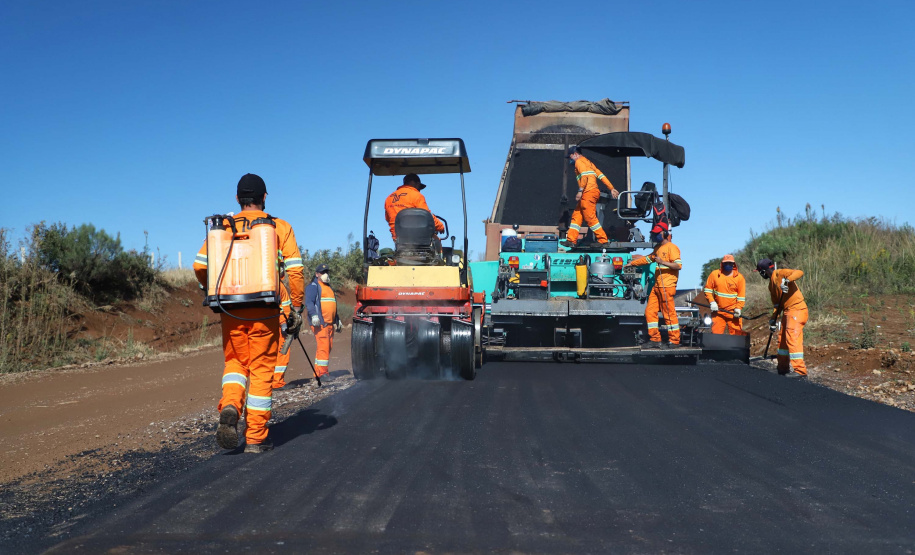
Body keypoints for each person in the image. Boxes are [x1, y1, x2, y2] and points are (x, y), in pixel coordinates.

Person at [193, 173, 305, 453]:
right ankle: (255, 438)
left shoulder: (224, 228)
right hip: (265, 308)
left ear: (237, 199)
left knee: (235, 363)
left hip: (230, 309)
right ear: (265, 197)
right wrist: (297, 307)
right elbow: (295, 271)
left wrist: (211, 287)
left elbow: (199, 265)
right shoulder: (279, 226)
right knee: (261, 369)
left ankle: (231, 405)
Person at [625, 222, 682, 348]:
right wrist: (632, 264)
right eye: (654, 233)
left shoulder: (672, 248)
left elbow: (678, 266)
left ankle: (675, 340)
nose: (656, 235)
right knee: (650, 311)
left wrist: (663, 262)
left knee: (668, 313)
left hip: (667, 286)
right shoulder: (657, 249)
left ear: (665, 233)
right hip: (657, 286)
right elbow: (647, 259)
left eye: (658, 233)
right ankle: (655, 339)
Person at [756, 259, 808, 378]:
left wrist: (787, 280)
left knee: (792, 337)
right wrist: (773, 319)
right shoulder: (771, 285)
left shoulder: (781, 273)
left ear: (763, 271)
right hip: (787, 311)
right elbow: (777, 305)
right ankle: (782, 369)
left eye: (760, 272)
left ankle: (800, 371)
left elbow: (799, 272)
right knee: (782, 340)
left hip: (797, 309)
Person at [560, 146, 620, 249]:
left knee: (590, 217)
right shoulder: (589, 163)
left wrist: (580, 191)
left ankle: (602, 240)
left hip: (588, 193)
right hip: (591, 192)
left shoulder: (579, 162)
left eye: (570, 157)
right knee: (577, 215)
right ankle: (571, 240)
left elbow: (584, 176)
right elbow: (601, 175)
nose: (571, 160)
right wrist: (611, 188)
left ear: (575, 154)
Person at [305, 263, 343, 380]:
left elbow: (332, 305)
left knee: (327, 347)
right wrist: (314, 316)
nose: (325, 274)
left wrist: (338, 320)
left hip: (330, 324)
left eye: (326, 272)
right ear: (317, 274)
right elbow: (309, 303)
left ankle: (318, 372)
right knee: (324, 347)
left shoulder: (329, 288)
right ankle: (322, 374)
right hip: (320, 323)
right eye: (322, 272)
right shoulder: (313, 286)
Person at [384, 173, 445, 242]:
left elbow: (388, 218)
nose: (419, 190)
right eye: (419, 186)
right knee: (437, 242)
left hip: (398, 238)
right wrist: (440, 226)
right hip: (417, 237)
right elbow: (427, 216)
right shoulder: (416, 195)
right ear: (414, 183)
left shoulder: (389, 198)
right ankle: (439, 252)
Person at [703, 254, 747, 335]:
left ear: (734, 264)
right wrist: (712, 302)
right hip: (718, 312)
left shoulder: (739, 278)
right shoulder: (715, 275)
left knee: (736, 337)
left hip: (733, 313)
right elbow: (707, 290)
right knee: (716, 336)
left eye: (730, 263)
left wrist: (738, 308)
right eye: (726, 263)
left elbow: (741, 296)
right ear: (722, 264)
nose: (728, 265)